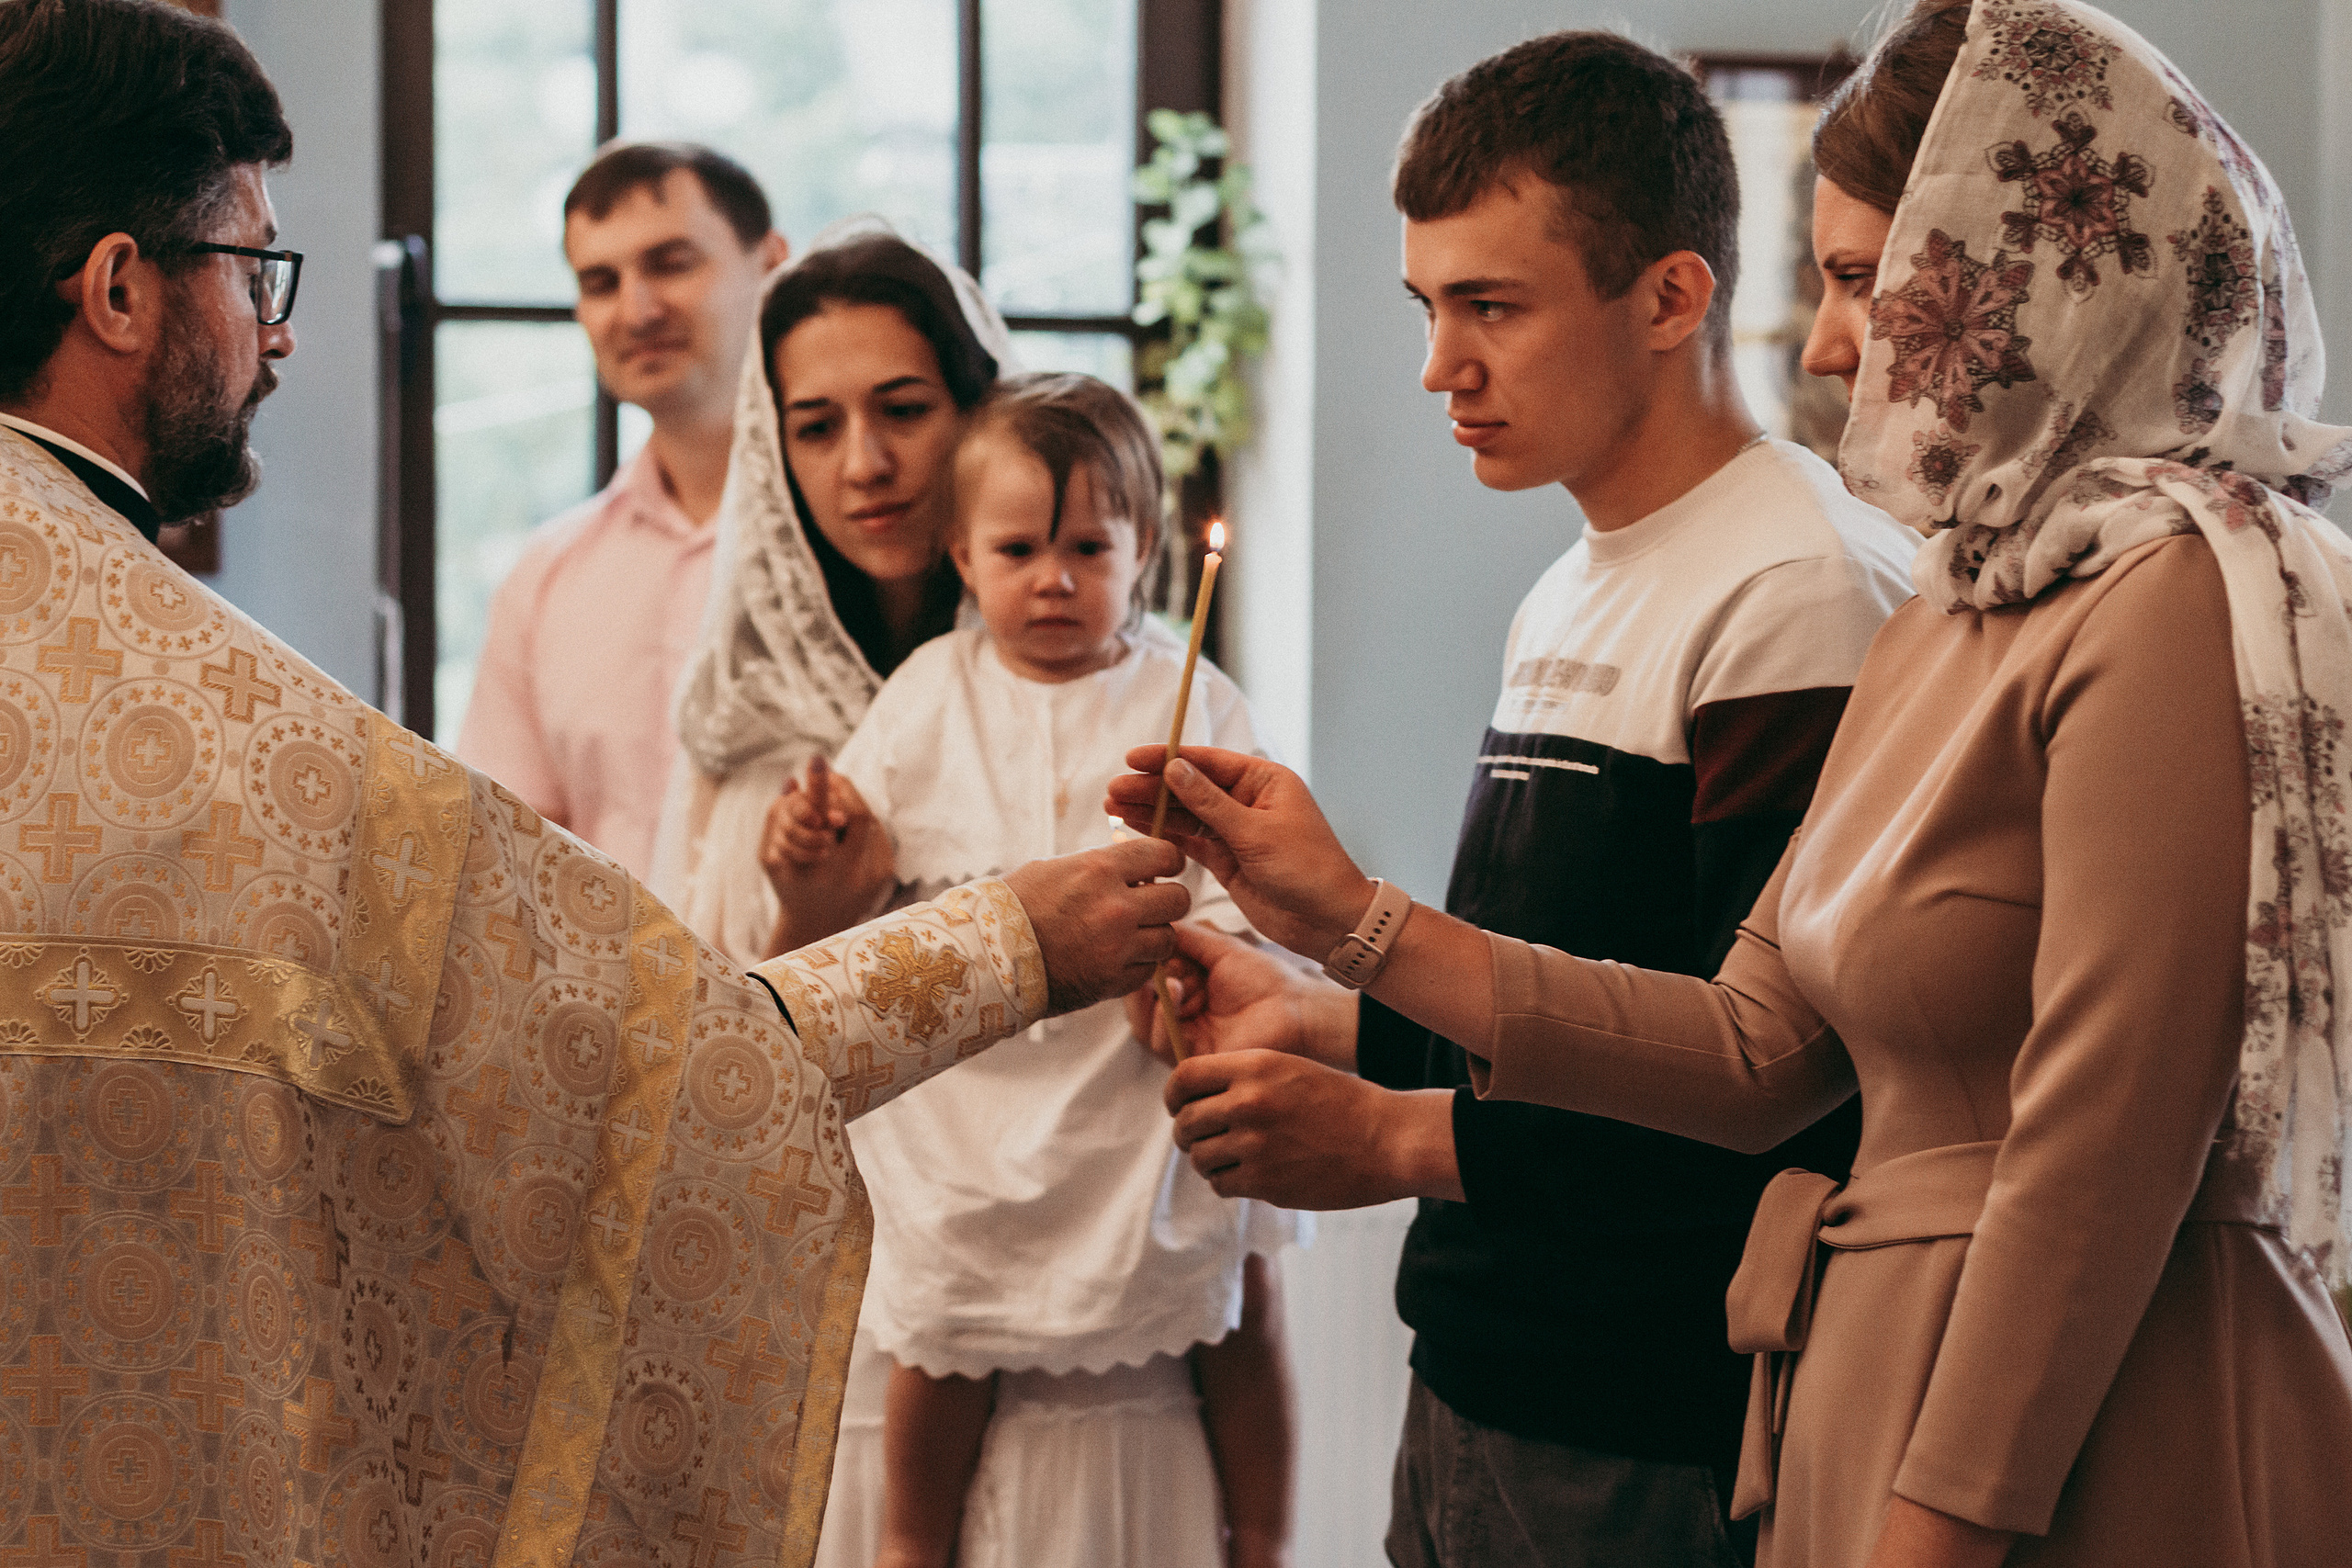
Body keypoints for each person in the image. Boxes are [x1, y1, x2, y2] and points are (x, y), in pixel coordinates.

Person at [1114, 3, 2352, 1565]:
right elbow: (1755, 1038)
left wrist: (1937, 1526)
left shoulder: (2165, 586)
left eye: (1861, 281)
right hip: (1858, 1393)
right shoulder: (1962, 605)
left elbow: (2098, 1159)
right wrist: (1345, 933)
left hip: (2056, 1433)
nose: (1828, 344)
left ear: (2030, 266)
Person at [0, 6, 1188, 1568]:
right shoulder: (232, 736)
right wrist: (1013, 944)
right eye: (255, 272)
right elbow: (619, 1053)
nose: (278, 333)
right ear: (120, 288)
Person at [1164, 31, 1918, 1567]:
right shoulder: (1576, 581)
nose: (1443, 365)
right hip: (1485, 1376)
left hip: (1646, 1413)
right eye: (1429, 307)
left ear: (1670, 296)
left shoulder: (1797, 589)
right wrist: (1305, 1005)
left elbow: (1764, 1092)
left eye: (1491, 307)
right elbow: (1562, 1006)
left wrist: (1385, 1137)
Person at [769, 372, 1301, 1568]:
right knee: (938, 1313)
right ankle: (915, 1537)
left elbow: (1246, 893)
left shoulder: (1190, 695)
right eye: (1019, 547)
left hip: (1133, 1082)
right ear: (961, 552)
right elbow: (853, 880)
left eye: (1087, 546)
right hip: (977, 1089)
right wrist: (818, 843)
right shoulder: (927, 695)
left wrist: (1193, 971)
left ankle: (1262, 1530)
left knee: (1239, 1279)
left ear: (1147, 548)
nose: (1053, 576)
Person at [652, 219, 992, 967]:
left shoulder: (1076, 679)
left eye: (903, 411)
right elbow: (709, 1052)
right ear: (776, 457)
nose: (864, 464)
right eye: (816, 427)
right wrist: (813, 918)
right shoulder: (749, 724)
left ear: (976, 413)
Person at [456, 141, 788, 882]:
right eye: (601, 281)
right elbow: (497, 859)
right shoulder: (545, 580)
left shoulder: (860, 540)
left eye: (672, 263)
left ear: (771, 263)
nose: (637, 310)